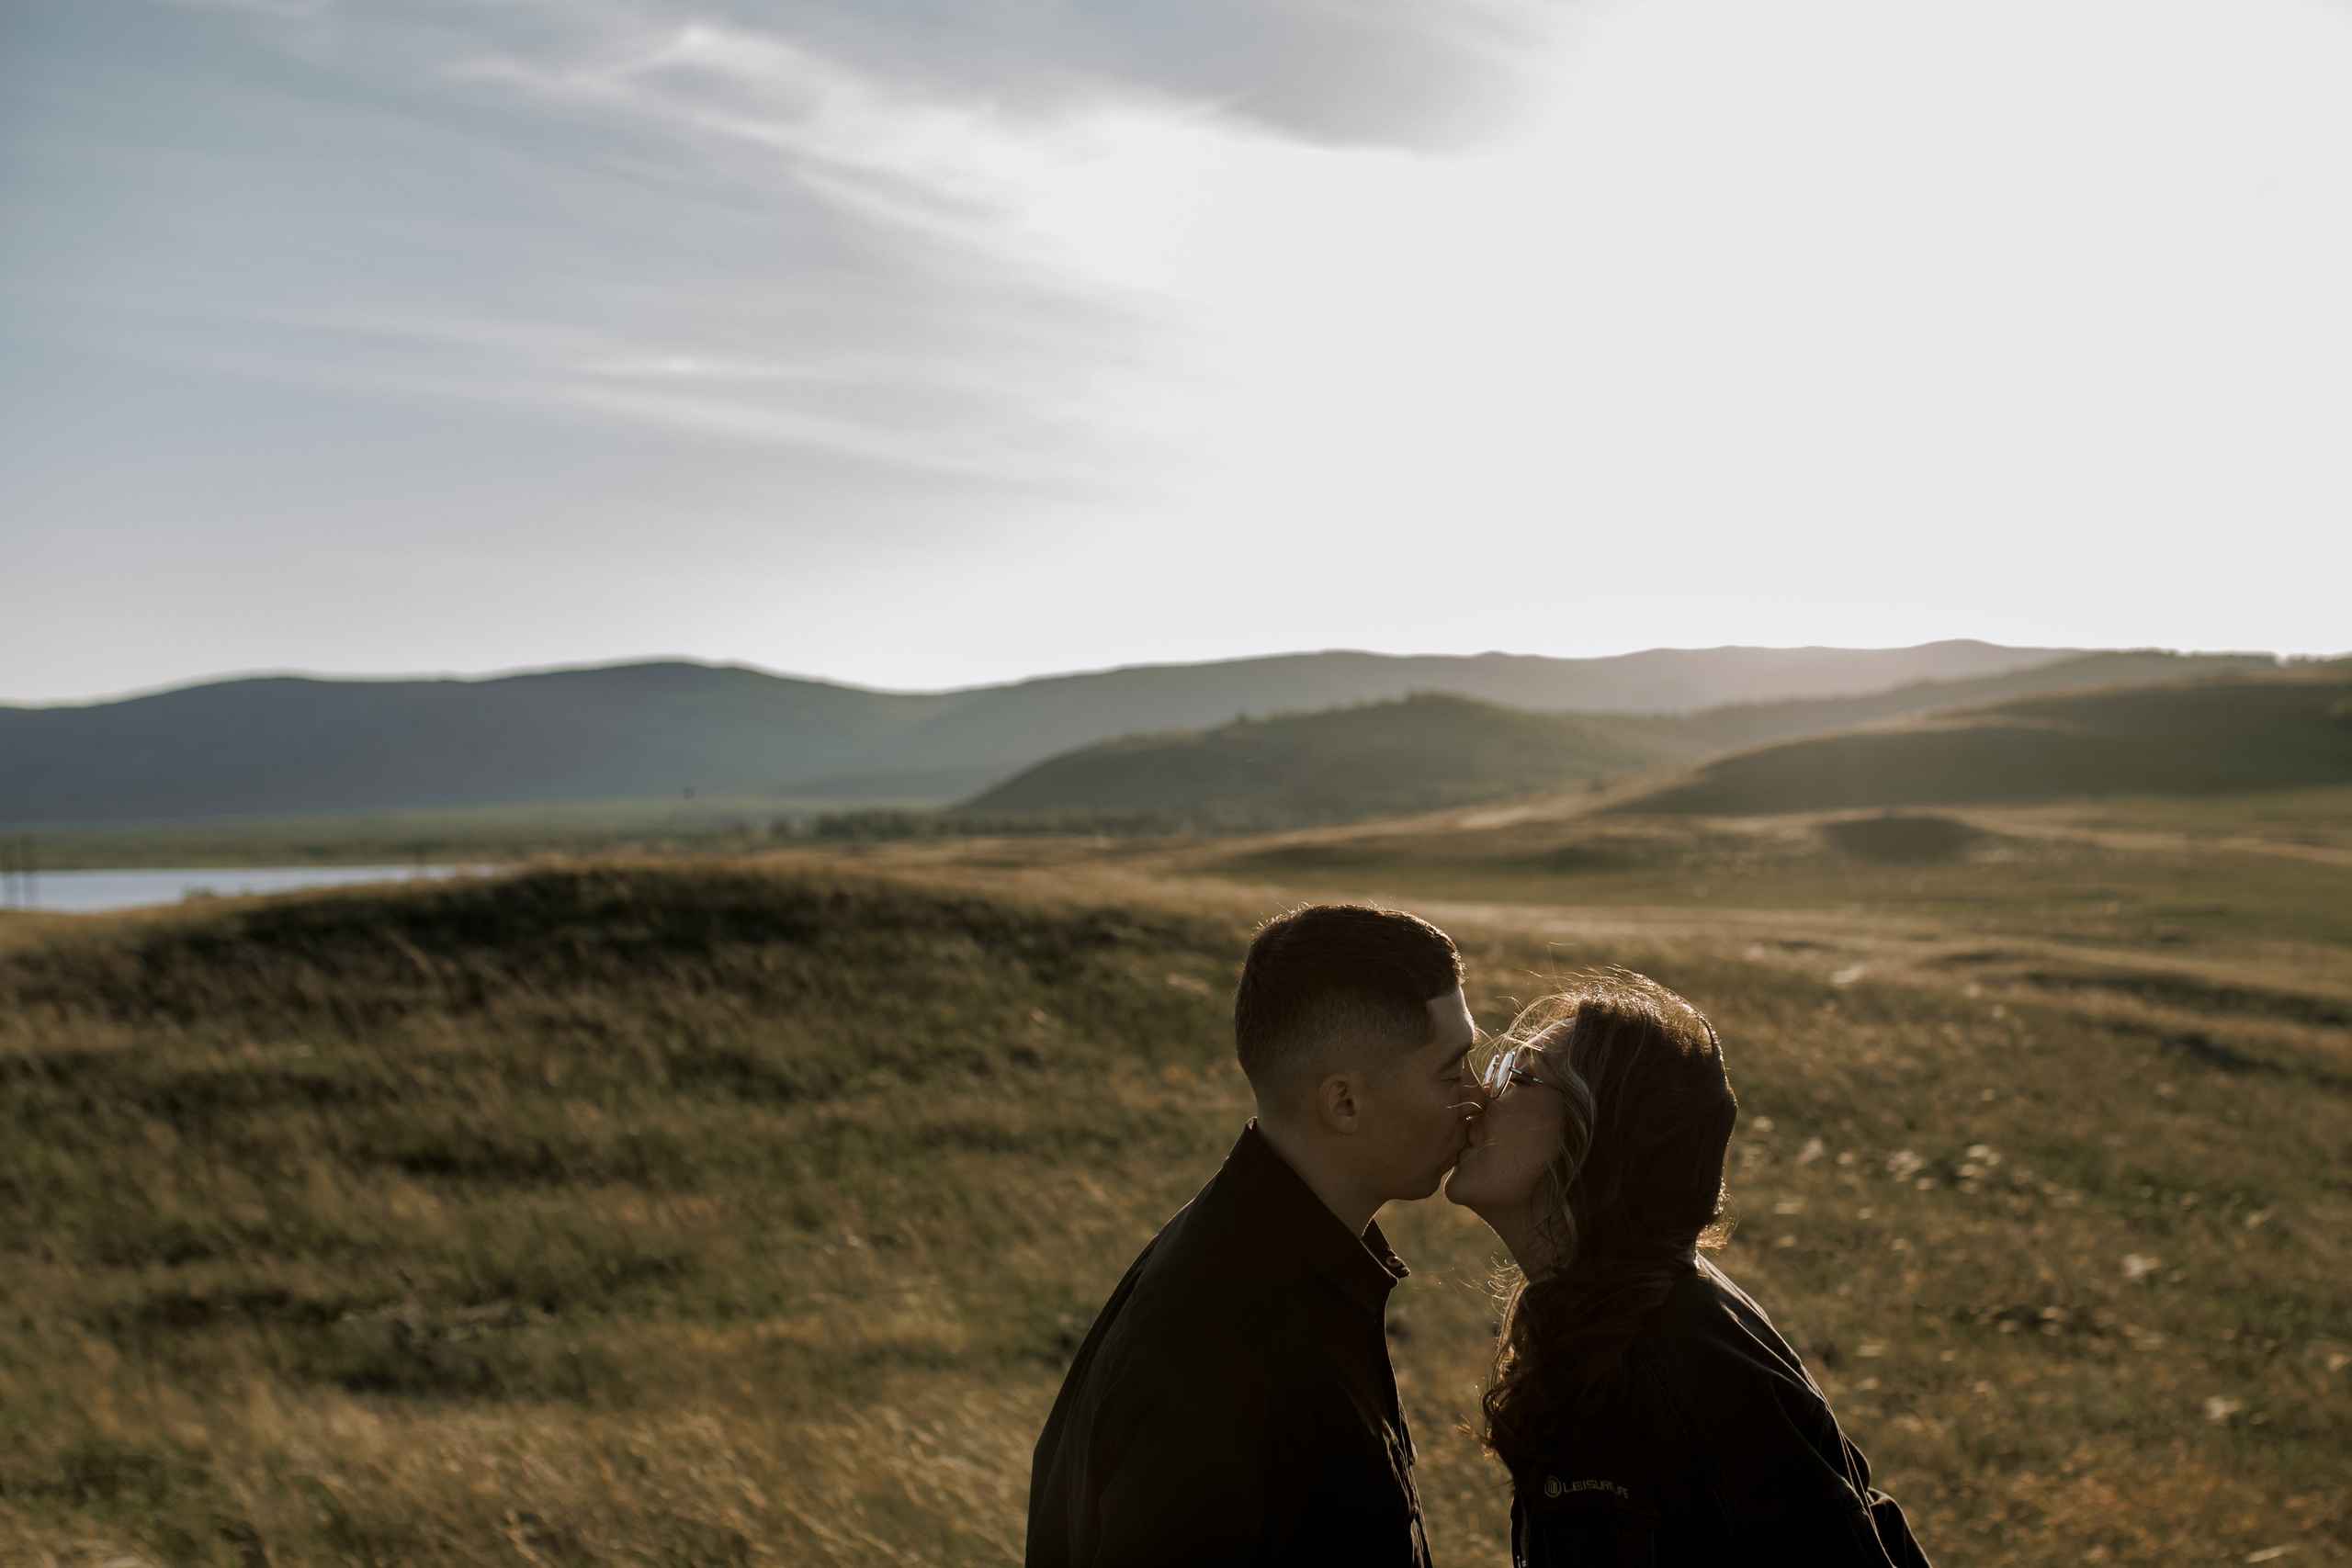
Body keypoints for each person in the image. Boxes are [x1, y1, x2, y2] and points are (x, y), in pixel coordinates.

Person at [1026, 903, 1480, 1567]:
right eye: (1453, 1069)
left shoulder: (1258, 1259)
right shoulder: (1222, 1351)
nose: (1478, 1095)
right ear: (1343, 1102)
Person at [1443, 973, 1932, 1568]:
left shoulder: (1685, 1361)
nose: (1475, 1099)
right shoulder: (1600, 1316)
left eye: (1517, 1074)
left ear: (1599, 1131)